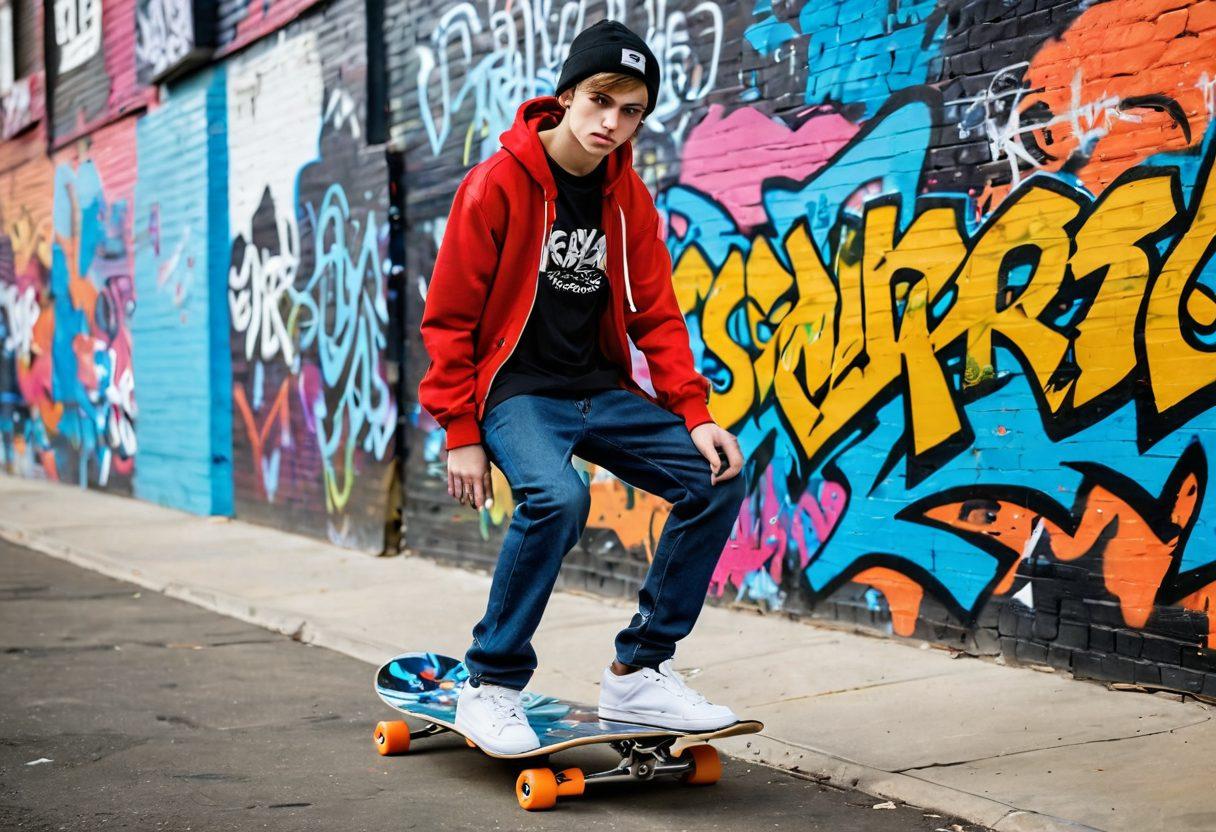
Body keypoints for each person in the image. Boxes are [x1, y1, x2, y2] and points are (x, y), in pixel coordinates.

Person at [417, 19, 747, 755]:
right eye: (601, 100)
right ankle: (491, 684)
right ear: (566, 95)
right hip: (518, 392)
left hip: (596, 386)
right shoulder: (498, 183)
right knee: (556, 497)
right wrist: (460, 432)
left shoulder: (627, 197)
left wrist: (693, 415)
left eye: (632, 111)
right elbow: (449, 319)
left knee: (718, 475)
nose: (613, 123)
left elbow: (655, 312)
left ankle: (638, 671)